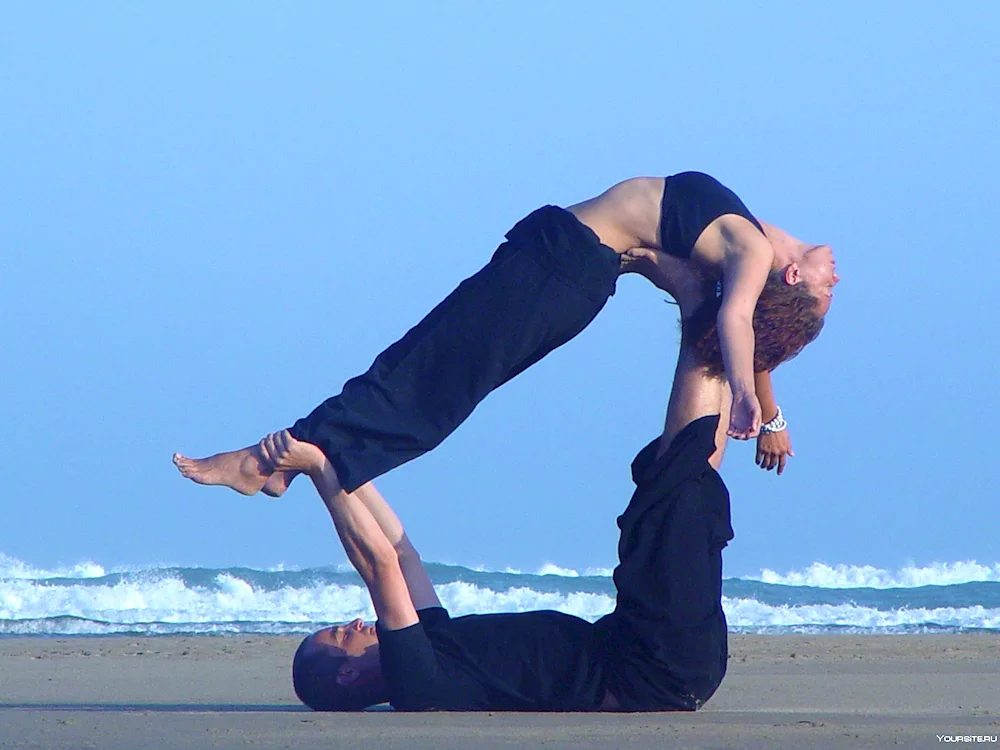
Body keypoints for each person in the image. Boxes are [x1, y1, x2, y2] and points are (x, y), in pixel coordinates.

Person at [174, 172, 836, 497]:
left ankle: (270, 460)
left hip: (561, 270)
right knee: (427, 367)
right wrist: (771, 411)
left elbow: (734, 320)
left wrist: (748, 405)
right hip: (560, 265)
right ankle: (288, 462)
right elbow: (744, 327)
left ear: (787, 273)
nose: (835, 276)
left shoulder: (747, 249)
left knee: (431, 378)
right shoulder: (752, 234)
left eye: (824, 287)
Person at [276, 264, 746, 712]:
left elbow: (401, 554)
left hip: (640, 644)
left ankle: (722, 318)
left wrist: (340, 460)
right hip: (656, 666)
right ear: (347, 676)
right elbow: (378, 566)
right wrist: (319, 470)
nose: (356, 623)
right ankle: (708, 305)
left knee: (675, 490)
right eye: (341, 635)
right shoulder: (413, 681)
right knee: (673, 488)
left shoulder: (433, 647)